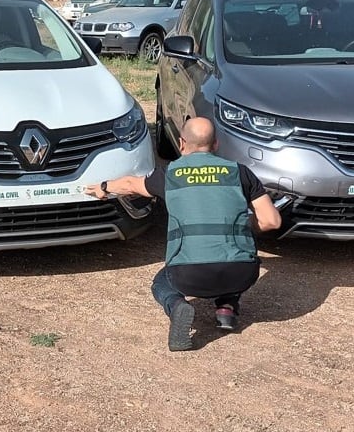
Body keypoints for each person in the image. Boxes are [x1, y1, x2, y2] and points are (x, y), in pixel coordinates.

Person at [84, 117, 281, 351]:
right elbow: (271, 221)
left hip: (189, 276)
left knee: (161, 283)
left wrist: (103, 188)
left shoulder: (169, 174)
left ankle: (177, 306)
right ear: (216, 144)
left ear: (181, 143)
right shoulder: (240, 173)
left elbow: (128, 184)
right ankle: (226, 309)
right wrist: (240, 228)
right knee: (231, 253)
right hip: (241, 273)